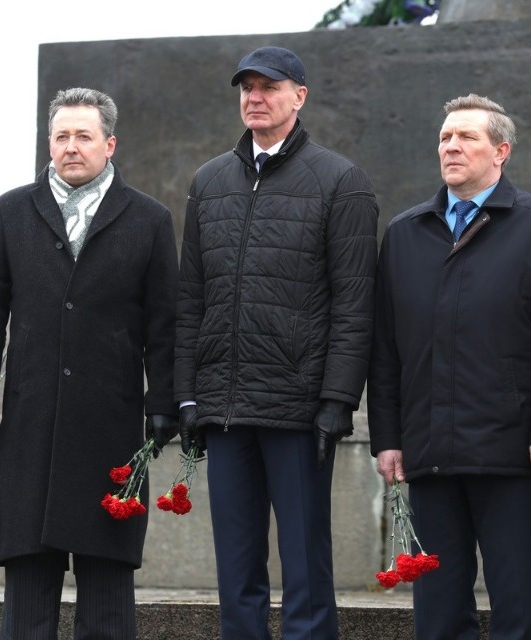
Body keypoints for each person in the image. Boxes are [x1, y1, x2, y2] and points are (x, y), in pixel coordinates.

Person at [0, 87, 179, 639]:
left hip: (110, 436)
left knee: (105, 608)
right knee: (27, 606)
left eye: (84, 135)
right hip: (31, 429)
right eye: (61, 136)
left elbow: (165, 327)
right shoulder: (11, 212)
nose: (71, 147)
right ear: (48, 144)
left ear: (110, 143)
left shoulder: (149, 219)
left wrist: (165, 402)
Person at [175, 46, 379, 639]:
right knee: (235, 570)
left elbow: (354, 303)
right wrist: (187, 396)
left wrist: (338, 400)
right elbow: (191, 299)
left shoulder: (341, 181)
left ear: (300, 96)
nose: (255, 98)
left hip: (298, 408)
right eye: (247, 88)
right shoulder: (208, 182)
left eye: (270, 87)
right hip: (226, 408)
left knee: (305, 566)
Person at [368, 93, 531, 639]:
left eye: (466, 136)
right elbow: (386, 349)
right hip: (428, 453)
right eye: (445, 137)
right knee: (438, 612)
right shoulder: (404, 234)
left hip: (510, 451)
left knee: (516, 605)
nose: (452, 146)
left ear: (501, 151)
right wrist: (387, 439)